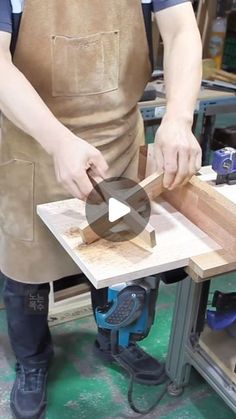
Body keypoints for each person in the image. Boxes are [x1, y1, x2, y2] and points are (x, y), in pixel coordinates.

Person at [0, 1, 202, 418]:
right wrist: (58, 141)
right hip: (33, 147)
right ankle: (34, 359)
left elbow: (182, 31)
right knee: (30, 276)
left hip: (118, 146)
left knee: (116, 258)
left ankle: (114, 340)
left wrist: (179, 118)